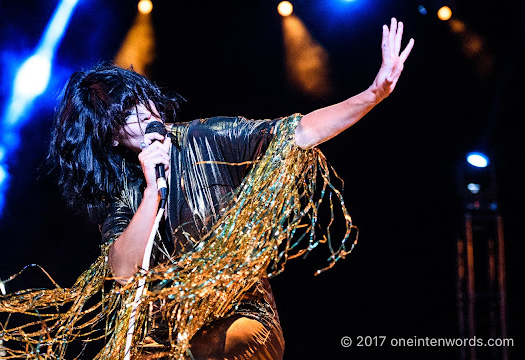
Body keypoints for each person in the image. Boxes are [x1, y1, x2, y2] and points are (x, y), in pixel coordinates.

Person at [48, 18, 413, 360]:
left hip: (243, 318)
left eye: (141, 101)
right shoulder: (123, 191)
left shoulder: (206, 138)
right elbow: (124, 272)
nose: (144, 115)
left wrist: (372, 94)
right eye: (126, 115)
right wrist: (151, 193)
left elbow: (299, 132)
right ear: (111, 137)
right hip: (168, 335)